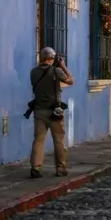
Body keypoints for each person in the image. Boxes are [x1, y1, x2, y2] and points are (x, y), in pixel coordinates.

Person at [28, 47, 74, 179]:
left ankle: (35, 167)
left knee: (38, 140)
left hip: (39, 110)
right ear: (51, 58)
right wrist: (63, 66)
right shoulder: (56, 71)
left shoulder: (33, 72)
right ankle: (60, 168)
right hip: (54, 112)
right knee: (58, 141)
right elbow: (70, 81)